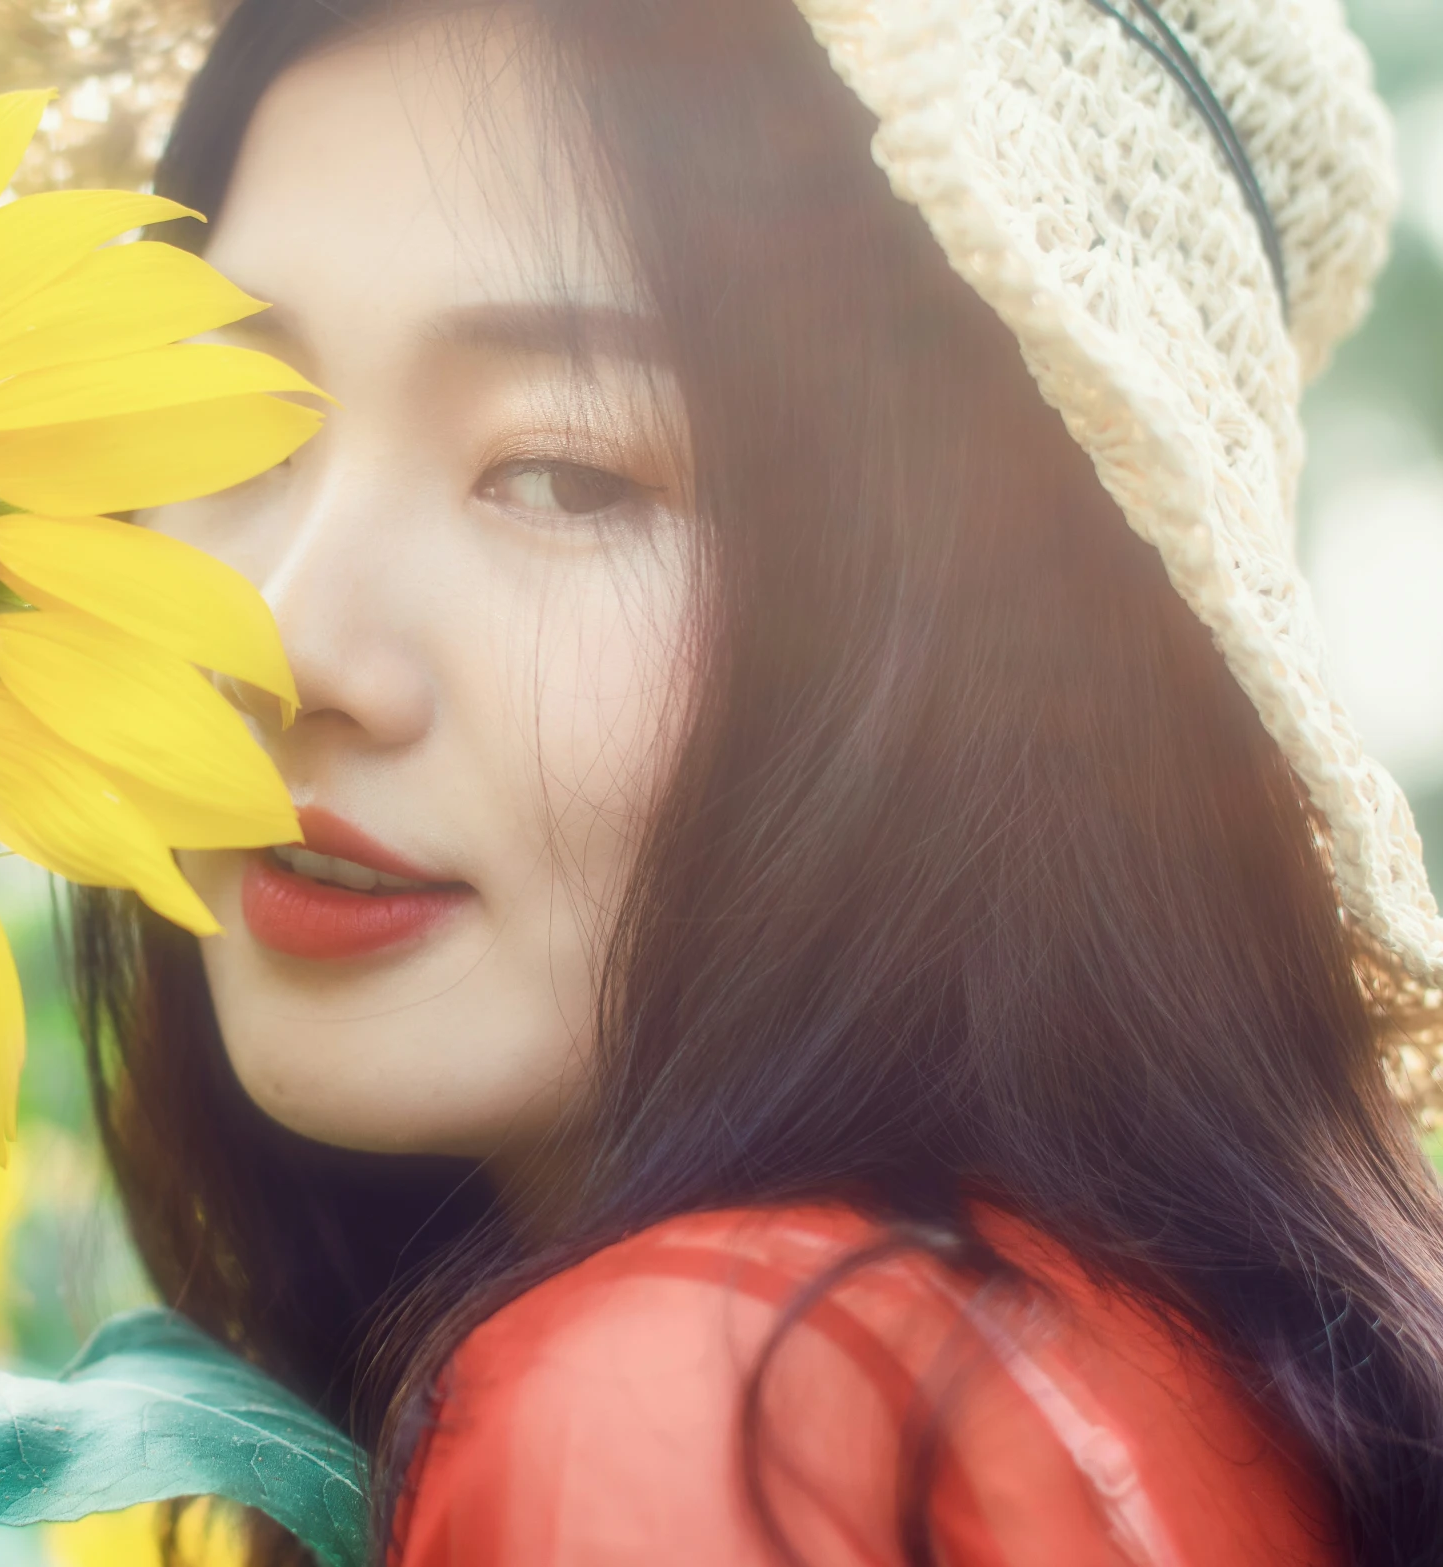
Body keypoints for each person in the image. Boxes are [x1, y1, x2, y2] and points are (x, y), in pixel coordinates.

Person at [71, 0, 1443, 1562]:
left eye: (565, 471)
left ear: (973, 648)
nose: (288, 642)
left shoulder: (718, 1404)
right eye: (236, 419)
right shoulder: (1219, 1379)